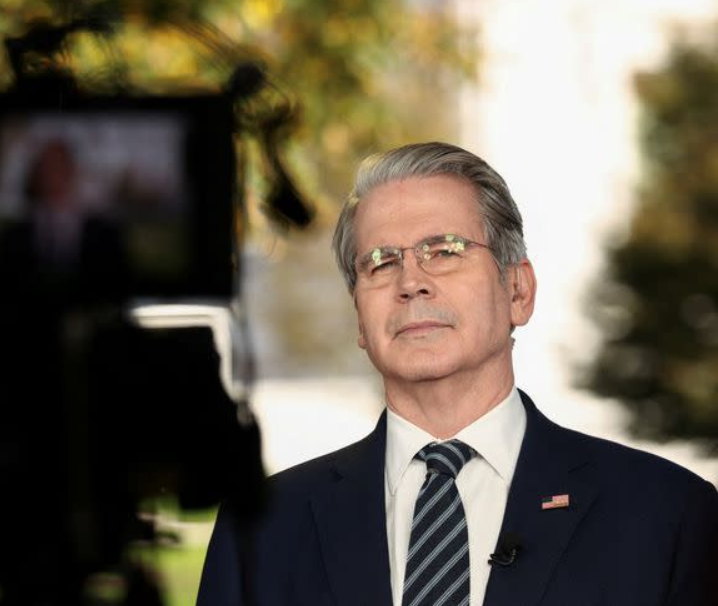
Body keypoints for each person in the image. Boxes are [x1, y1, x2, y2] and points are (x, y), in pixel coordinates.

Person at [197, 142, 718, 606]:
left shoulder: (668, 515)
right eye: (380, 263)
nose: (410, 282)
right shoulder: (260, 531)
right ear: (359, 318)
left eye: (445, 250)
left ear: (518, 291)